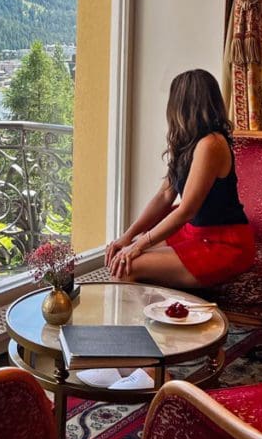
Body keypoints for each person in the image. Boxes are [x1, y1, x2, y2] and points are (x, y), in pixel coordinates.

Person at [106, 69, 254, 288]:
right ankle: (163, 315)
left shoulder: (211, 144)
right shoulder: (189, 142)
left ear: (183, 105)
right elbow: (164, 196)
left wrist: (139, 245)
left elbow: (187, 210)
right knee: (124, 259)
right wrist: (127, 237)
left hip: (223, 243)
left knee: (125, 269)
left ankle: (160, 320)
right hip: (192, 233)